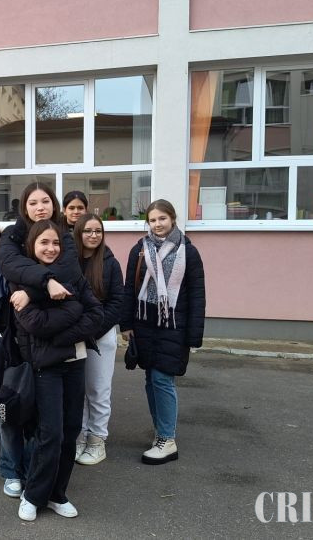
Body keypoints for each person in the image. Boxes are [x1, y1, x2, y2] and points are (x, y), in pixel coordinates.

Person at [8, 219, 102, 521]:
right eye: (44, 243)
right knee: (50, 433)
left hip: (75, 362)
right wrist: (74, 309)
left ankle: (57, 494)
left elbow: (96, 314)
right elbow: (36, 324)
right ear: (31, 246)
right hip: (46, 368)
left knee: (71, 431)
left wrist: (61, 336)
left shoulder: (72, 276)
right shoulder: (22, 281)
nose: (51, 248)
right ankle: (33, 495)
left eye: (56, 243)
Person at [0, 181, 83, 499]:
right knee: (11, 403)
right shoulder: (11, 236)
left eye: (45, 201)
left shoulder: (63, 236)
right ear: (24, 207)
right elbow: (11, 266)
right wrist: (46, 282)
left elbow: (68, 271)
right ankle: (11, 469)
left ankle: (34, 472)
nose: (40, 207)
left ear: (54, 205)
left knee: (42, 414)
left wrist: (31, 290)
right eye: (33, 202)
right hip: (11, 334)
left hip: (47, 338)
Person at [120, 199, 206, 465]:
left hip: (173, 325)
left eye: (162, 218)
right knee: (150, 379)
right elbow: (129, 288)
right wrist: (126, 324)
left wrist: (194, 335)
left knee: (162, 379)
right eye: (152, 220)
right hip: (145, 323)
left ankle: (167, 440)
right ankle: (161, 432)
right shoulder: (140, 250)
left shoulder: (188, 252)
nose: (157, 224)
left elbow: (197, 295)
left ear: (172, 219)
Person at [72, 213, 124, 465]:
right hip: (74, 335)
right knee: (78, 390)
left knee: (98, 390)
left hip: (100, 336)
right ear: (78, 233)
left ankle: (97, 440)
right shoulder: (70, 261)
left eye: (98, 231)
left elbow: (117, 303)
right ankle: (80, 437)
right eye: (88, 231)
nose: (93, 235)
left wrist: (92, 331)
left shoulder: (110, 263)